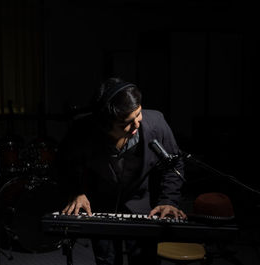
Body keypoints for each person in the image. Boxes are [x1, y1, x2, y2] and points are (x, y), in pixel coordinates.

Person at [54, 77, 187, 265]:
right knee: (106, 260)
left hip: (142, 204)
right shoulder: (82, 131)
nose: (137, 125)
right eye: (126, 123)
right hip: (100, 205)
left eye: (138, 114)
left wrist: (169, 200)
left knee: (144, 260)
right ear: (104, 124)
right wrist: (77, 192)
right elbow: (64, 165)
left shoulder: (156, 122)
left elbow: (174, 164)